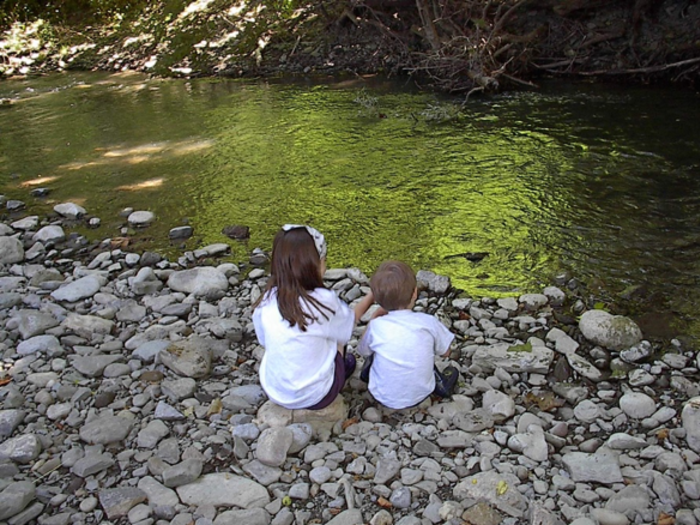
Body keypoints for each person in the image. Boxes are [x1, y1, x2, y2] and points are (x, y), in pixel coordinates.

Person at [253, 224, 375, 410]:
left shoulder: (267, 299)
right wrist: (371, 296)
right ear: (315, 264)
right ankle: (341, 368)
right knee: (337, 334)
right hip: (318, 396)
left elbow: (264, 341)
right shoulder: (324, 301)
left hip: (276, 392)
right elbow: (348, 327)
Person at [357, 260, 458, 410]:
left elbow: (363, 351)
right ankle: (442, 385)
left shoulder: (376, 326)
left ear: (378, 300)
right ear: (415, 293)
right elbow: (446, 353)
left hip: (381, 395)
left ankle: (368, 377)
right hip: (421, 393)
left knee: (375, 350)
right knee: (435, 361)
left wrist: (372, 320)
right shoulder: (428, 322)